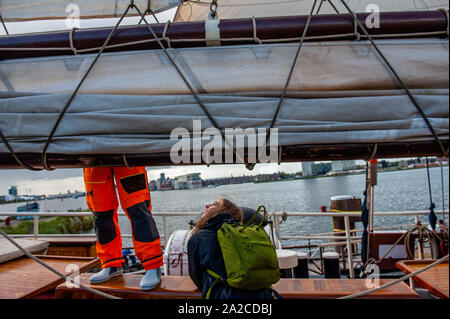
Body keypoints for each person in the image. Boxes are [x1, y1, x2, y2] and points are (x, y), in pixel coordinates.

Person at [83, 166, 163, 290]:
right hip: (93, 157)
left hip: (126, 153)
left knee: (138, 209)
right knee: (101, 214)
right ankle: (111, 264)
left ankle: (153, 265)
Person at [187, 198, 281, 299]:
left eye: (214, 204)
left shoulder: (199, 238)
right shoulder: (247, 234)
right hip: (264, 294)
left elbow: (196, 277)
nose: (207, 206)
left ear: (221, 211)